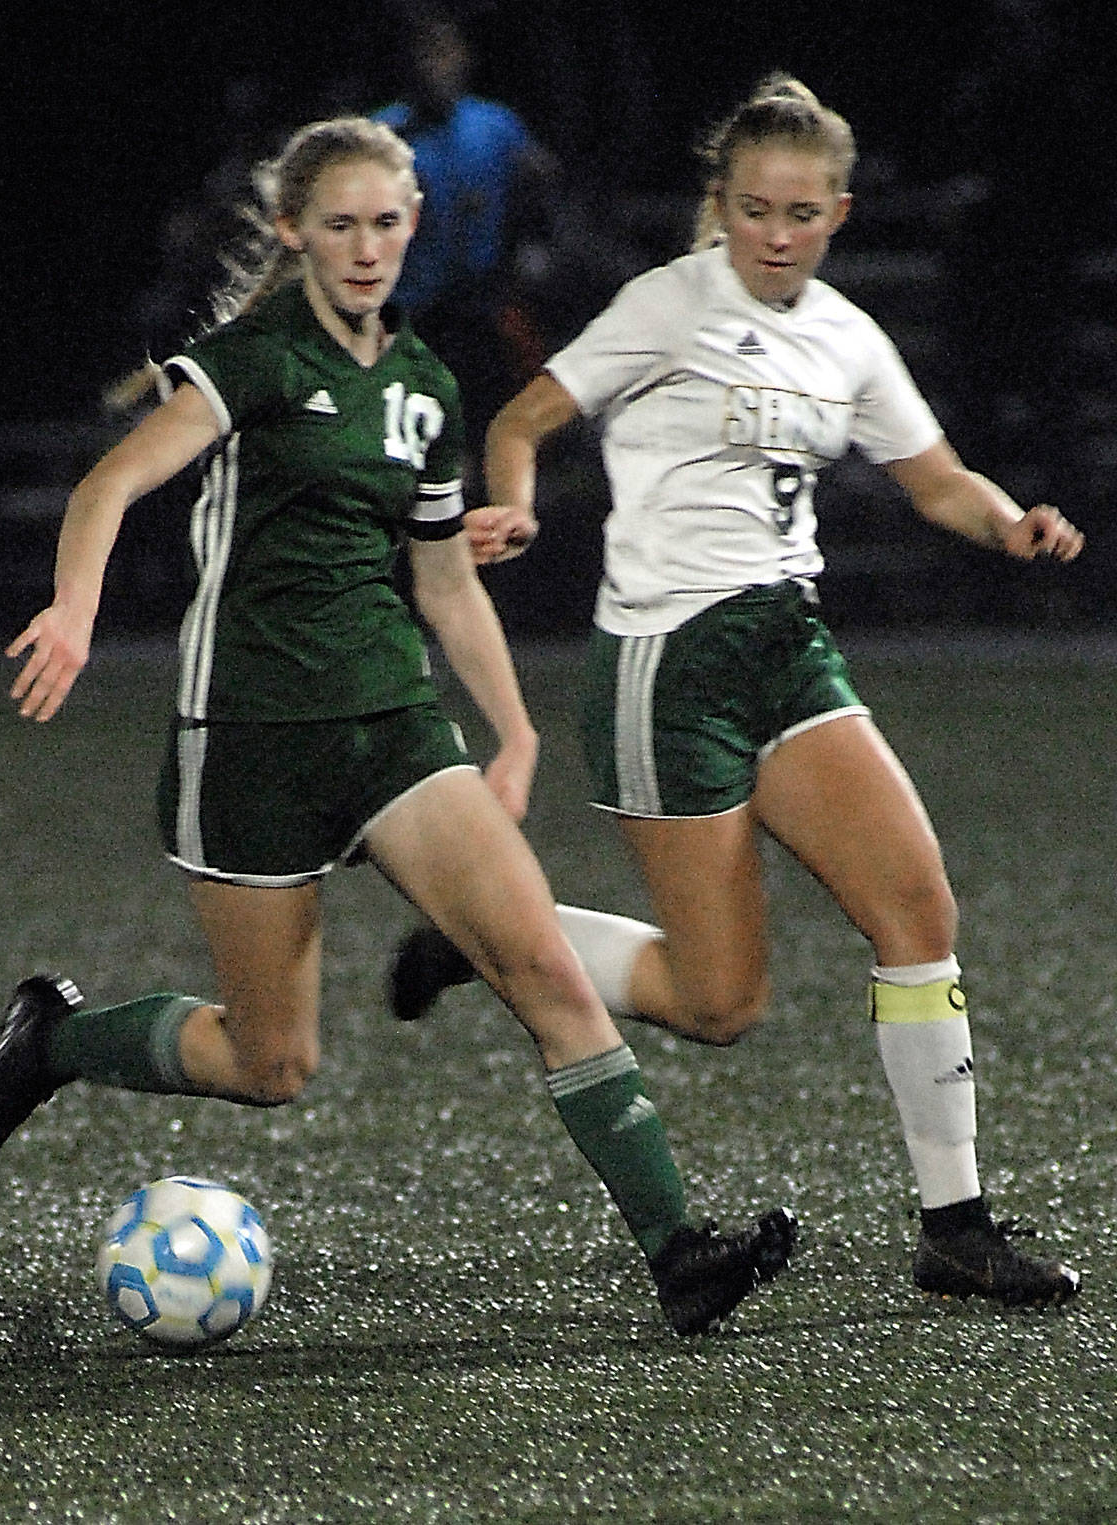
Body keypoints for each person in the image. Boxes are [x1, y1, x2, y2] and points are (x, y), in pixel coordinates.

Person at [0, 116, 797, 1337]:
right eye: (339, 225)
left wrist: (509, 734)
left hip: (394, 731)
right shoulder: (251, 359)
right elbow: (110, 482)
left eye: (386, 224)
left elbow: (444, 582)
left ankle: (679, 1253)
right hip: (248, 741)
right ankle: (57, 1042)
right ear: (294, 231)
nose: (365, 249)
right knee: (270, 1064)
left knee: (545, 971)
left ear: (416, 228)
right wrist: (76, 613)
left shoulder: (423, 388)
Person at [389, 77, 1085, 1308]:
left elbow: (933, 479)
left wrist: (1008, 521)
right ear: (719, 204)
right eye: (754, 207)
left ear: (838, 213)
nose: (775, 232)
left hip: (786, 652)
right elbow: (524, 416)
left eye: (801, 212)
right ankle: (489, 936)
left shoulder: (845, 335)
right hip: (668, 667)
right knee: (718, 1005)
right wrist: (518, 503)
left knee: (917, 911)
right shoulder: (666, 304)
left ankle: (955, 1226)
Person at [372, 10, 559, 453]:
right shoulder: (384, 133)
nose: (433, 65)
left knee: (491, 415)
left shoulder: (493, 125)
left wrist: (532, 245)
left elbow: (540, 182)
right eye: (423, 54)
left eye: (443, 52)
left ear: (462, 58)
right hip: (411, 312)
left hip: (483, 302)